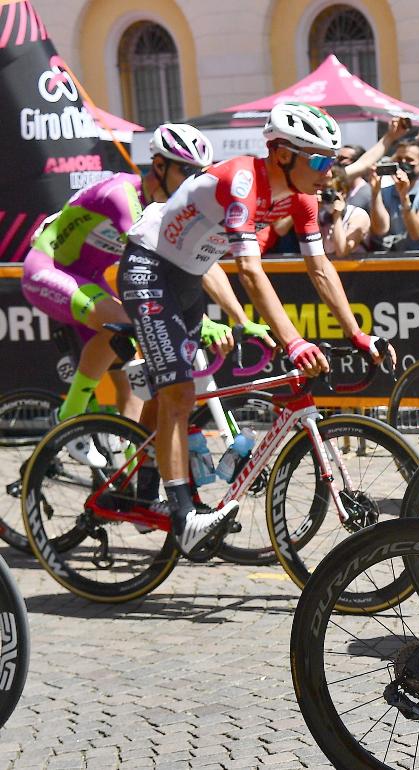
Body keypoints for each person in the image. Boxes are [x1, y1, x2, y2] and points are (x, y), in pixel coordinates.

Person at [121, 101, 393, 557]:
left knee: (175, 390)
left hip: (190, 276)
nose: (329, 171)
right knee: (180, 393)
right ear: (283, 154)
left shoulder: (303, 196)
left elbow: (320, 268)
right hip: (149, 268)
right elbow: (249, 270)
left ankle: (145, 484)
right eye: (321, 160)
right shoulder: (243, 180)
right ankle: (184, 514)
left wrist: (357, 334)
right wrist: (294, 340)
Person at [21, 123, 216, 465]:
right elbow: (163, 260)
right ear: (159, 166)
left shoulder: (163, 207)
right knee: (126, 323)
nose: (193, 182)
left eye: (199, 174)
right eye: (188, 172)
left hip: (89, 281)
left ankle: (130, 473)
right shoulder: (123, 195)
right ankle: (68, 418)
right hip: (47, 270)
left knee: (135, 381)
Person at [373, 139, 419, 251]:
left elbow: (416, 234)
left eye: (409, 160)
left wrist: (404, 197)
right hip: (389, 258)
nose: (403, 163)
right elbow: (380, 230)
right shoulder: (384, 192)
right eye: (399, 159)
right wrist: (375, 191)